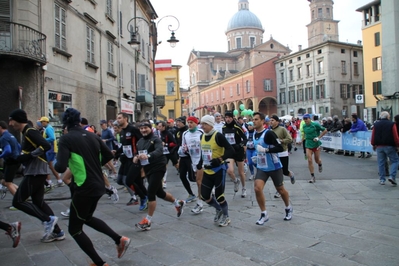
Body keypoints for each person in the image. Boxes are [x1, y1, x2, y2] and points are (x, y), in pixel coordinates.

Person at [55, 108, 130, 266]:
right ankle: (119, 239)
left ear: (65, 123)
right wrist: (94, 166)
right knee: (86, 218)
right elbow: (109, 155)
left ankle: (99, 263)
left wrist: (59, 160)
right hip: (98, 185)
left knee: (74, 229)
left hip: (84, 187)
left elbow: (60, 167)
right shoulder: (92, 136)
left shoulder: (66, 139)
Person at [8, 109, 64, 243]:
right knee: (38, 202)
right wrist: (19, 159)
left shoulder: (29, 131)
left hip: (36, 171)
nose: (10, 124)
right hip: (37, 170)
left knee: (18, 201)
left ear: (17, 120)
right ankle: (58, 232)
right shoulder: (26, 132)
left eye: (11, 120)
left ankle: (48, 220)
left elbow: (45, 145)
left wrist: (28, 156)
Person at [134, 120, 186, 231]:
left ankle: (147, 221)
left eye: (145, 128)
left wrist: (148, 155)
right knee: (160, 193)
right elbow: (138, 153)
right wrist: (136, 157)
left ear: (150, 128)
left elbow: (159, 151)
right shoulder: (140, 142)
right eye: (141, 128)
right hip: (148, 168)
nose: (143, 130)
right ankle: (178, 203)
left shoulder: (156, 139)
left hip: (158, 167)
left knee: (151, 192)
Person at [251, 112, 293, 224]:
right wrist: (256, 157)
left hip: (274, 166)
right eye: (253, 119)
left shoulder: (269, 133)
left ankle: (288, 207)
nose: (253, 121)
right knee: (257, 188)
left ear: (262, 121)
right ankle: (264, 213)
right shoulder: (254, 134)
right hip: (262, 167)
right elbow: (257, 148)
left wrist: (266, 150)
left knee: (280, 190)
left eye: (256, 119)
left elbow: (280, 147)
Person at [199, 115, 235, 226]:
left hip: (219, 169)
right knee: (204, 196)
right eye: (202, 124)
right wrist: (199, 163)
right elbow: (203, 151)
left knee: (219, 195)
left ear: (210, 124)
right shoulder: (202, 136)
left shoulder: (218, 136)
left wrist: (220, 159)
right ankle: (218, 209)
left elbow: (231, 150)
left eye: (204, 124)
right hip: (207, 170)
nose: (202, 126)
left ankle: (226, 217)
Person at [113, 112, 143, 206]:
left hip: (134, 159)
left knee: (129, 180)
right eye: (117, 118)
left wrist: (138, 154)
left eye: (120, 118)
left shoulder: (133, 129)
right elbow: (124, 146)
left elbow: (141, 141)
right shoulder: (122, 131)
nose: (118, 120)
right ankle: (137, 194)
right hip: (125, 159)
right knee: (120, 180)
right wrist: (116, 154)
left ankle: (137, 197)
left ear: (126, 118)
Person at [177, 116, 204, 213]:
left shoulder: (201, 132)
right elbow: (183, 145)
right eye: (188, 122)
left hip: (202, 159)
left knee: (198, 182)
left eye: (192, 122)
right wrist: (183, 150)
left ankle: (200, 203)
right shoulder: (185, 133)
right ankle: (205, 193)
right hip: (191, 159)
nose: (190, 124)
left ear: (196, 123)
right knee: (197, 180)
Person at [222, 111, 248, 197]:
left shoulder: (237, 127)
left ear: (232, 118)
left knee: (241, 172)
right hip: (229, 152)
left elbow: (245, 138)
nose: (228, 119)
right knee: (229, 171)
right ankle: (235, 181)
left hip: (238, 151)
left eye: (229, 117)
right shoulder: (224, 127)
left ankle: (244, 188)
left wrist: (240, 145)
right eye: (226, 118)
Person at [270, 115, 295, 198]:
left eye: (273, 120)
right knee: (278, 172)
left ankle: (291, 174)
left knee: (284, 171)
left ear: (277, 121)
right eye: (270, 120)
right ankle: (279, 190)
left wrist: (282, 141)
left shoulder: (282, 129)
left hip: (283, 152)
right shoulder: (269, 131)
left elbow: (290, 139)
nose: (271, 122)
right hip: (274, 153)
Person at [370, 111, 399, 186]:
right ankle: (392, 176)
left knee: (381, 163)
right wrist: (397, 145)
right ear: (387, 117)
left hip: (379, 146)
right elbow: (395, 136)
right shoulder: (392, 124)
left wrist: (373, 144)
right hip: (389, 145)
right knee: (395, 161)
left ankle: (382, 179)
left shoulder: (376, 125)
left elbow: (373, 135)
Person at [301, 113, 327, 183]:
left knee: (316, 160)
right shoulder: (304, 126)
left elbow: (325, 130)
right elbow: (304, 134)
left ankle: (320, 163)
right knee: (309, 159)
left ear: (310, 119)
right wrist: (302, 139)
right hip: (308, 144)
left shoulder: (315, 125)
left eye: (306, 119)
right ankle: (312, 176)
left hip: (316, 144)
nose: (305, 120)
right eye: (304, 119)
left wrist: (318, 137)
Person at [40, 116, 64, 188]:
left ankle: (49, 182)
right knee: (50, 166)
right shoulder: (48, 128)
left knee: (46, 165)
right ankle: (59, 180)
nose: (41, 123)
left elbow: (52, 138)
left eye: (42, 122)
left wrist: (43, 140)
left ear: (45, 122)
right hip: (51, 149)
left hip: (50, 150)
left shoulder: (48, 128)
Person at [156, 121, 179, 192]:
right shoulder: (159, 133)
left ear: (164, 127)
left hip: (171, 152)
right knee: (164, 166)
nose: (158, 128)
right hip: (164, 153)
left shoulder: (168, 133)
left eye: (160, 126)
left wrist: (166, 144)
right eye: (158, 126)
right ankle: (164, 182)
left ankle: (182, 171)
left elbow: (174, 143)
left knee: (176, 164)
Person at [0, 121, 21, 198]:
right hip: (16, 160)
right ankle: (22, 195)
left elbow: (8, 150)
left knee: (8, 183)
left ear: (0, 127)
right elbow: (19, 147)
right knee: (5, 181)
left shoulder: (3, 138)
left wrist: (1, 156)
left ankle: (19, 201)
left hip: (11, 161)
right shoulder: (11, 135)